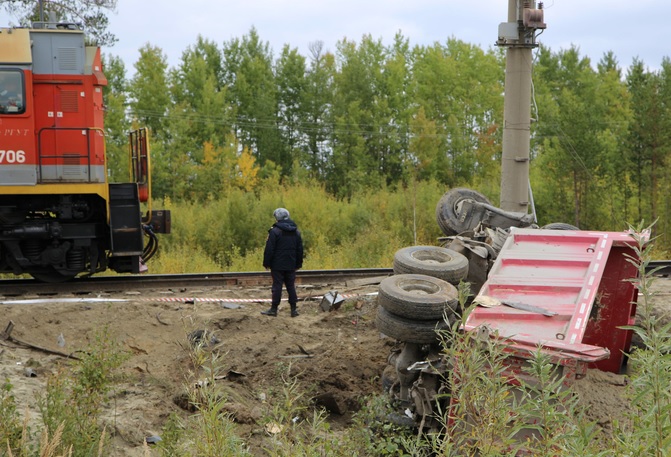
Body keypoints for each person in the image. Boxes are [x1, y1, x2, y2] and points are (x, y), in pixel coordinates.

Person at [261, 208, 304, 317]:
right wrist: (298, 264)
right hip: (291, 264)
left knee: (277, 286)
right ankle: (294, 310)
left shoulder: (275, 231)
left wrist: (267, 263)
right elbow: (300, 250)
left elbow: (269, 249)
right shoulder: (296, 232)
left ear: (277, 218)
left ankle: (274, 309)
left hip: (277, 265)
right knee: (291, 286)